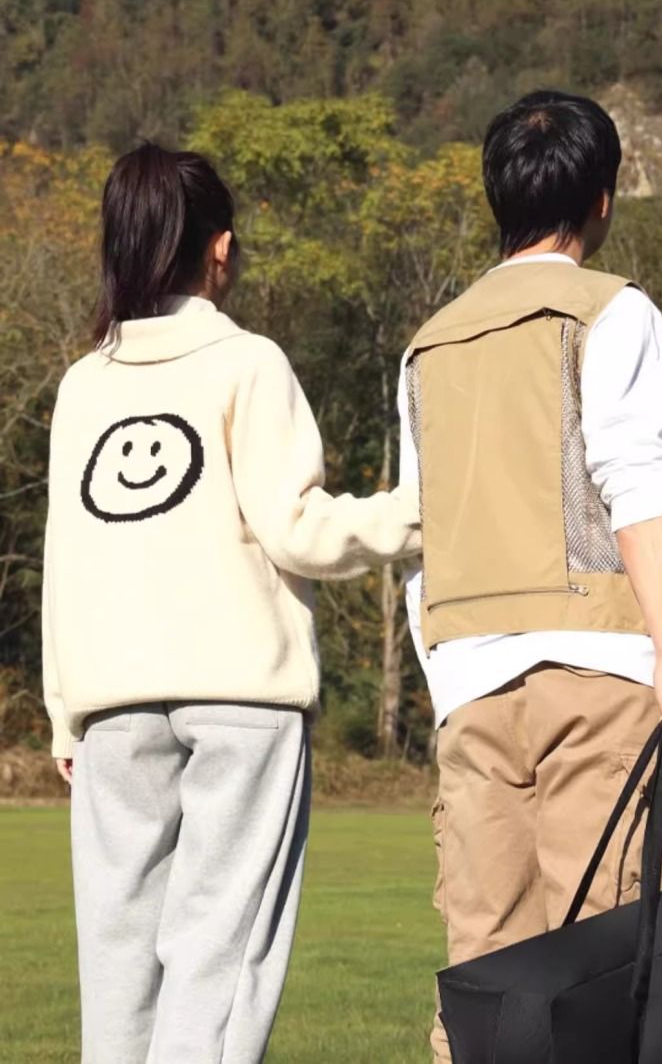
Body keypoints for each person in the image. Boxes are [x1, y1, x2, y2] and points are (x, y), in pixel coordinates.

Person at [43, 142, 420, 1064]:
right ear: (220, 248)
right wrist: (423, 514)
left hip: (111, 706)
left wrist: (62, 715)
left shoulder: (84, 383)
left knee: (118, 957)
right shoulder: (247, 362)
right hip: (239, 694)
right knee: (219, 954)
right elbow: (297, 531)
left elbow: (67, 555)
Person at [398, 89, 662, 1061]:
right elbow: (636, 480)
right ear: (600, 200)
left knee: (488, 978)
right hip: (598, 668)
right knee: (612, 969)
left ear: (499, 197)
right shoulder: (612, 311)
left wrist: (444, 678)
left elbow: (419, 525)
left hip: (469, 684)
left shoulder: (428, 343)